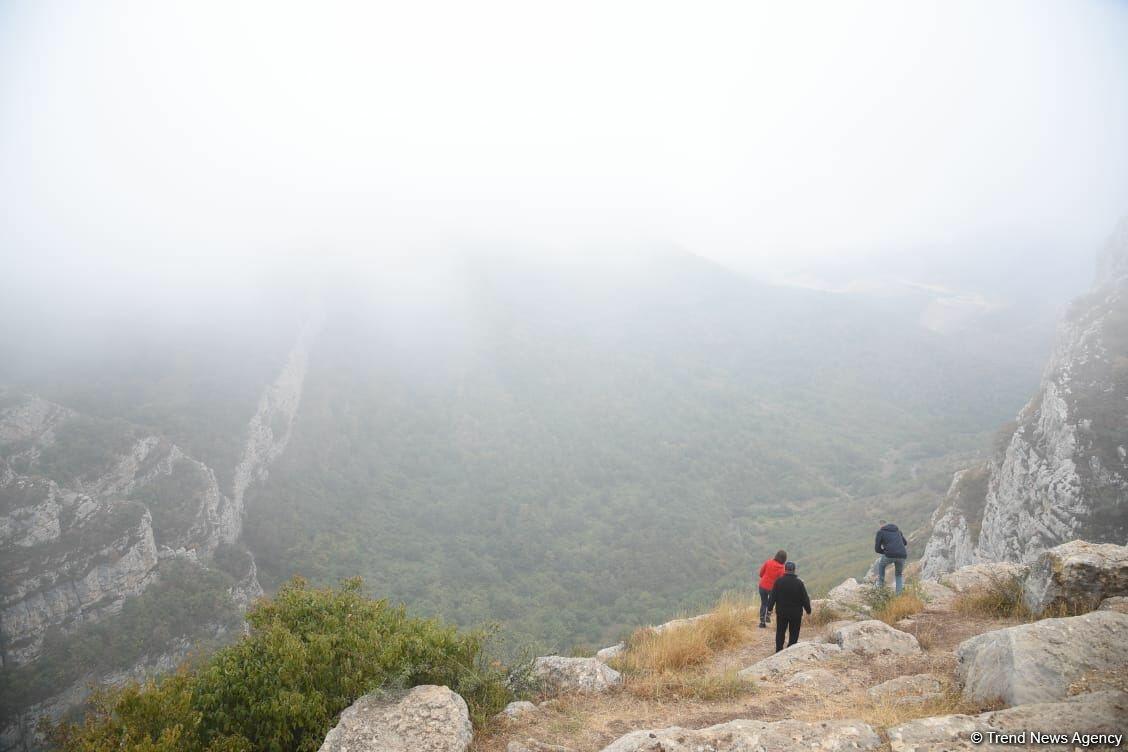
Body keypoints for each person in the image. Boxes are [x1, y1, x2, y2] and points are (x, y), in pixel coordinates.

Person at [767, 561, 811, 652]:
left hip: (782, 613)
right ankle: (790, 650)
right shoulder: (799, 583)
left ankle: (779, 650)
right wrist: (808, 610)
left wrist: (770, 609)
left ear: (785, 570)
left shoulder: (778, 582)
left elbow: (772, 597)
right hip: (796, 614)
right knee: (794, 633)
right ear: (794, 570)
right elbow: (805, 599)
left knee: (780, 632)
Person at [874, 519, 908, 595]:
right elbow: (905, 543)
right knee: (898, 575)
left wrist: (885, 551)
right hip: (902, 555)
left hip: (889, 555)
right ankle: (899, 595)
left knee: (881, 565)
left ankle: (880, 588)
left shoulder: (881, 532)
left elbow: (877, 549)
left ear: (880, 525)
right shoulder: (898, 531)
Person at [757, 550, 787, 628]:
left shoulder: (768, 562)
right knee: (773, 603)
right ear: (784, 559)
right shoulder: (782, 568)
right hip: (772, 589)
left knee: (764, 603)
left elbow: (760, 574)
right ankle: (769, 615)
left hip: (762, 586)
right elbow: (781, 581)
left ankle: (762, 623)